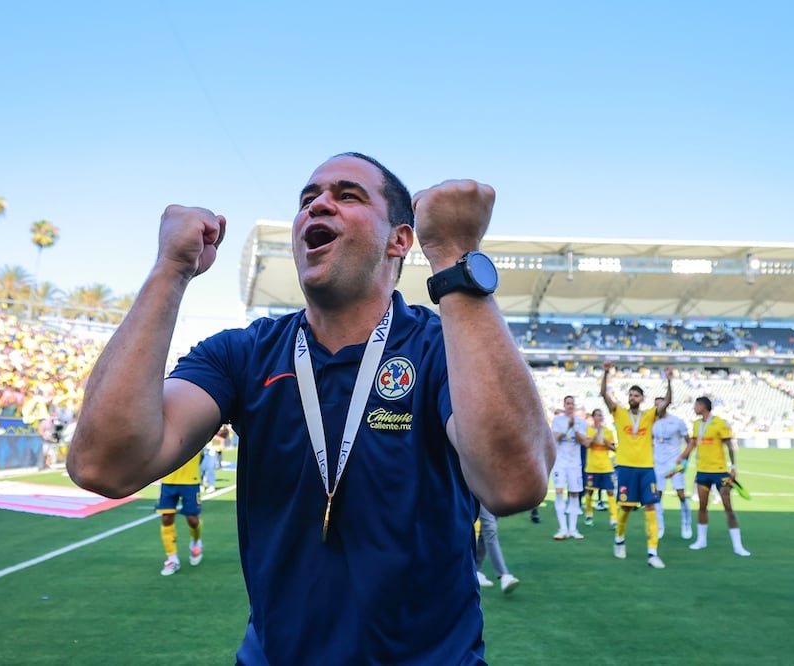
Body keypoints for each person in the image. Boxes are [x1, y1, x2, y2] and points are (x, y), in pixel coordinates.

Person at [67, 152, 554, 663]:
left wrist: (455, 255)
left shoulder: (443, 349)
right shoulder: (241, 354)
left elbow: (515, 482)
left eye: (348, 195)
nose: (318, 204)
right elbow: (103, 463)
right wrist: (170, 270)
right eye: (308, 198)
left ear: (400, 239)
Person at [601, 362, 671, 569]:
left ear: (642, 399)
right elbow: (603, 394)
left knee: (651, 505)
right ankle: (619, 540)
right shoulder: (619, 412)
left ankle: (652, 553)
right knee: (626, 507)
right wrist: (606, 372)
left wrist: (669, 380)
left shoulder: (649, 415)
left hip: (646, 468)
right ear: (628, 398)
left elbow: (667, 401)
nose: (633, 398)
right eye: (631, 395)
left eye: (637, 396)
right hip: (625, 467)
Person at [676, 397, 750, 556]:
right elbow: (693, 444)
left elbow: (730, 445)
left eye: (696, 405)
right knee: (702, 507)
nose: (694, 407)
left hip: (720, 471)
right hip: (702, 472)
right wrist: (684, 461)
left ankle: (738, 545)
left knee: (728, 507)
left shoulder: (719, 423)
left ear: (704, 406)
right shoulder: (696, 424)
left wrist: (733, 467)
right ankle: (701, 541)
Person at [156, 452, 204, 576]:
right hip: (168, 481)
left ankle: (196, 541)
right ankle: (172, 559)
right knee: (166, 518)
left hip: (190, 481)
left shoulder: (197, 433)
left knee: (192, 519)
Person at [651, 396, 692, 539]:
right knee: (657, 496)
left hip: (674, 464)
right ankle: (660, 526)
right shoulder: (652, 423)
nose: (657, 408)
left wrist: (684, 460)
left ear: (665, 405)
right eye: (655, 405)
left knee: (681, 495)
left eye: (659, 405)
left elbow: (690, 442)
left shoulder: (677, 422)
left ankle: (686, 524)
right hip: (658, 464)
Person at [550, 395, 586, 540]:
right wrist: (567, 428)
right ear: (564, 405)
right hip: (560, 463)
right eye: (567, 404)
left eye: (572, 404)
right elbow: (554, 439)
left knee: (574, 494)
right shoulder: (557, 420)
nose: (570, 406)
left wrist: (575, 429)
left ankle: (573, 529)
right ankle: (562, 528)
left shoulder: (581, 422)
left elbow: (584, 442)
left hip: (574, 463)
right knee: (559, 492)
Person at [579, 407, 617, 528]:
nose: (599, 417)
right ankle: (589, 514)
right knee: (590, 491)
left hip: (606, 466)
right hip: (592, 467)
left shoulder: (608, 432)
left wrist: (606, 442)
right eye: (597, 415)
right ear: (593, 417)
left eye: (601, 415)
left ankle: (614, 518)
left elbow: (614, 448)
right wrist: (596, 435)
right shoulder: (589, 430)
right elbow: (587, 444)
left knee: (610, 491)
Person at [474, 506, 520, 594]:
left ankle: (474, 569)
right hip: (479, 493)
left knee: (485, 531)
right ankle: (504, 575)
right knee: (489, 529)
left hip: (492, 494)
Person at [200, 424, 224, 494]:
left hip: (212, 452)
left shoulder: (217, 434)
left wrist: (215, 448)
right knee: (201, 469)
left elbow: (221, 443)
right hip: (204, 452)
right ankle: (201, 484)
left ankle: (211, 486)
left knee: (210, 469)